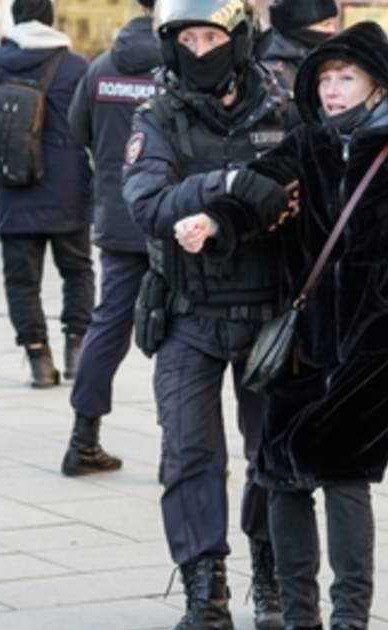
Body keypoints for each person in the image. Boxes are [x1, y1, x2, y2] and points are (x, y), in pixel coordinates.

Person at [176, 22, 388, 630]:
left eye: (347, 78)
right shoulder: (303, 146)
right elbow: (254, 194)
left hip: (378, 346)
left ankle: (350, 618)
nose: (333, 90)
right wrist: (214, 223)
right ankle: (300, 614)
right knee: (281, 475)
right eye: (326, 78)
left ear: (378, 84)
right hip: (300, 344)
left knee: (343, 475)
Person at [121, 1, 289, 627]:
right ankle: (204, 587)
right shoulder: (156, 114)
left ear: (238, 38)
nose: (198, 49)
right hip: (187, 312)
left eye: (210, 35)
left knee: (272, 455)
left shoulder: (282, 108)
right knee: (189, 453)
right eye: (186, 38)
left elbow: (304, 187)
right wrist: (230, 183)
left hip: (269, 312)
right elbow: (147, 200)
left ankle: (270, 575)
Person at [60, 0, 160, 477]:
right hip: (173, 220)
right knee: (186, 339)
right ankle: (185, 450)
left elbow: (78, 128)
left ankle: (83, 439)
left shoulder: (101, 67)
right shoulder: (185, 66)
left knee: (107, 328)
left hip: (119, 218)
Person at [0, 0, 94, 389]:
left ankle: (39, 359)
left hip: (14, 186)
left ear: (16, 18)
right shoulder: (77, 67)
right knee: (77, 270)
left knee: (21, 281)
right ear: (51, 19)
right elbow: (93, 131)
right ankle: (78, 351)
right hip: (69, 188)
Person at [256, 0, 339, 92]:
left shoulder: (325, 60)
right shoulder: (271, 74)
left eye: (333, 24)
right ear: (301, 28)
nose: (332, 30)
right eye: (326, 25)